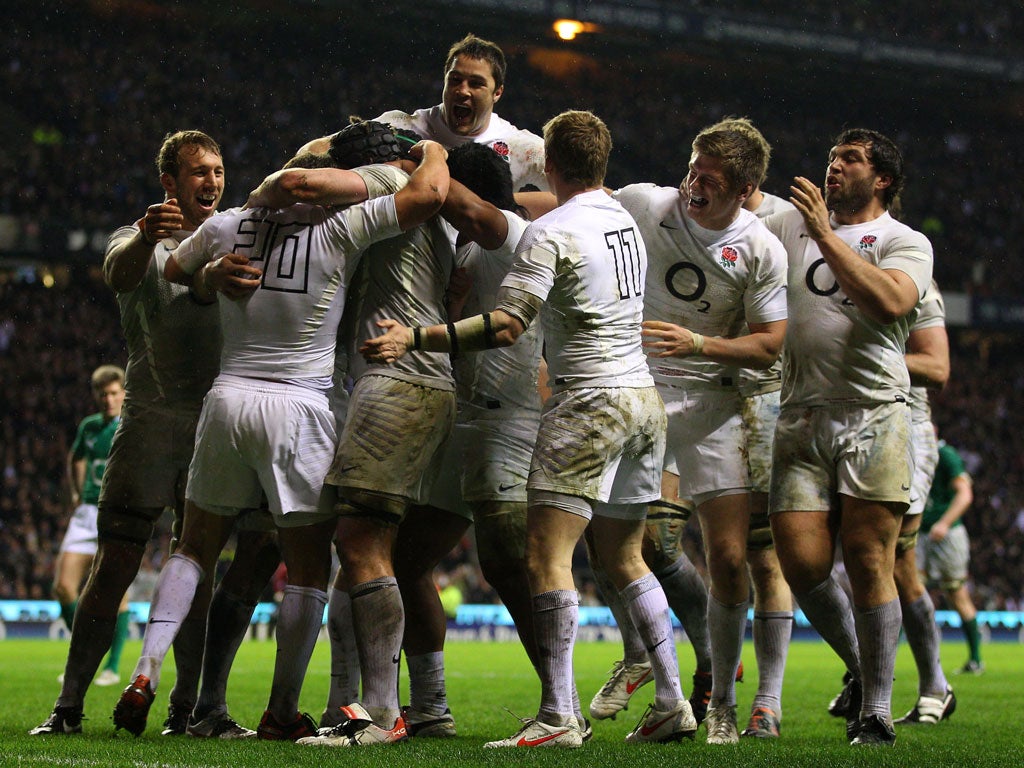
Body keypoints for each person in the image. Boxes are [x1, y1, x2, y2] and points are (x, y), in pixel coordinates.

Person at [362, 109, 695, 749]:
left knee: (543, 556)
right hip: (641, 399)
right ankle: (671, 701)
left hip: (586, 401)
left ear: (548, 166)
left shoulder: (550, 232)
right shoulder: (623, 219)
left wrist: (420, 335)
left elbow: (510, 323)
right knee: (625, 557)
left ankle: (559, 717)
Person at [110, 124, 451, 742]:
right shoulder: (340, 227)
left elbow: (178, 271)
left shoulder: (229, 224)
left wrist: (212, 276)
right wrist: (432, 150)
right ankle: (282, 710)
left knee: (193, 548)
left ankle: (145, 670)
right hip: (299, 408)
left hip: (227, 399)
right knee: (306, 570)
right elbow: (425, 197)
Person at [31, 130, 280, 739]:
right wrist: (156, 241)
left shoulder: (235, 236)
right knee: (114, 564)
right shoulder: (136, 238)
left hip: (214, 424)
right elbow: (122, 275)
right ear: (170, 181)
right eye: (199, 172)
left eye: (219, 171)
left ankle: (188, 711)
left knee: (193, 567)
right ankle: (66, 708)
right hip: (149, 419)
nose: (212, 182)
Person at [611, 117, 788, 745]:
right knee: (638, 543)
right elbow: (570, 217)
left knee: (731, 556)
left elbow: (770, 345)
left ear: (744, 188)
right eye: (690, 169)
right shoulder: (642, 203)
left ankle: (722, 703)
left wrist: (699, 342)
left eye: (708, 179)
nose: (691, 185)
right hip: (644, 392)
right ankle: (655, 674)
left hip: (715, 404)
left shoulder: (762, 247)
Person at [763, 128, 934, 747]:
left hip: (873, 414)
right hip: (800, 413)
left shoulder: (904, 241)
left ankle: (879, 712)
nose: (833, 168)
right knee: (803, 565)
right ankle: (865, 671)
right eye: (831, 157)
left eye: (850, 160)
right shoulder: (792, 223)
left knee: (868, 560)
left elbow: (888, 303)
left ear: (881, 178)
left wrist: (826, 236)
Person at [375, 33, 546, 192]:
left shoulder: (521, 148)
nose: (462, 90)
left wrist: (504, 208)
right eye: (455, 80)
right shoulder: (398, 127)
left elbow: (571, 198)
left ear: (497, 93)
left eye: (476, 83)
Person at [53, 365, 128, 688]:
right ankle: (86, 651)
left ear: (124, 393)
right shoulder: (89, 426)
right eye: (103, 394)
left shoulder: (131, 425)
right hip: (86, 513)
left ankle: (111, 667)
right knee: (63, 587)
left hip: (116, 513)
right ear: (95, 396)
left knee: (118, 591)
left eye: (114, 393)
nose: (108, 399)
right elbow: (76, 458)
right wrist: (75, 491)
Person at [920, 434, 981, 676]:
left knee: (956, 594)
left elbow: (965, 494)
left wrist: (944, 522)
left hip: (947, 535)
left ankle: (975, 659)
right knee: (906, 588)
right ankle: (894, 656)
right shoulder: (913, 453)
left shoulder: (945, 455)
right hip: (919, 533)